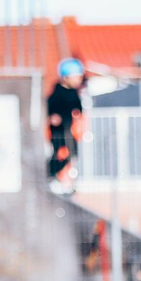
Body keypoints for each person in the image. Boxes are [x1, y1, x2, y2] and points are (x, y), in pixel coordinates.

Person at [46, 58, 85, 191]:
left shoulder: (74, 93)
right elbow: (50, 109)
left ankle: (63, 179)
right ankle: (50, 175)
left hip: (70, 131)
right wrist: (53, 117)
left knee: (71, 155)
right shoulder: (57, 93)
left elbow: (78, 108)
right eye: (76, 77)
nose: (79, 80)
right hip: (58, 132)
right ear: (66, 78)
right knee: (58, 155)